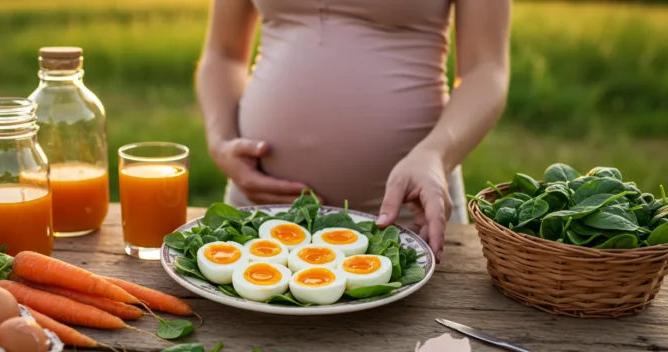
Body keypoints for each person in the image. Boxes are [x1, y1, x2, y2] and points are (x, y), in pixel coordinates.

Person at [195, 0, 511, 262]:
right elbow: (223, 54)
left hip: (407, 214)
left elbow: (486, 67)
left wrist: (436, 155)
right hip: (259, 211)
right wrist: (220, 141)